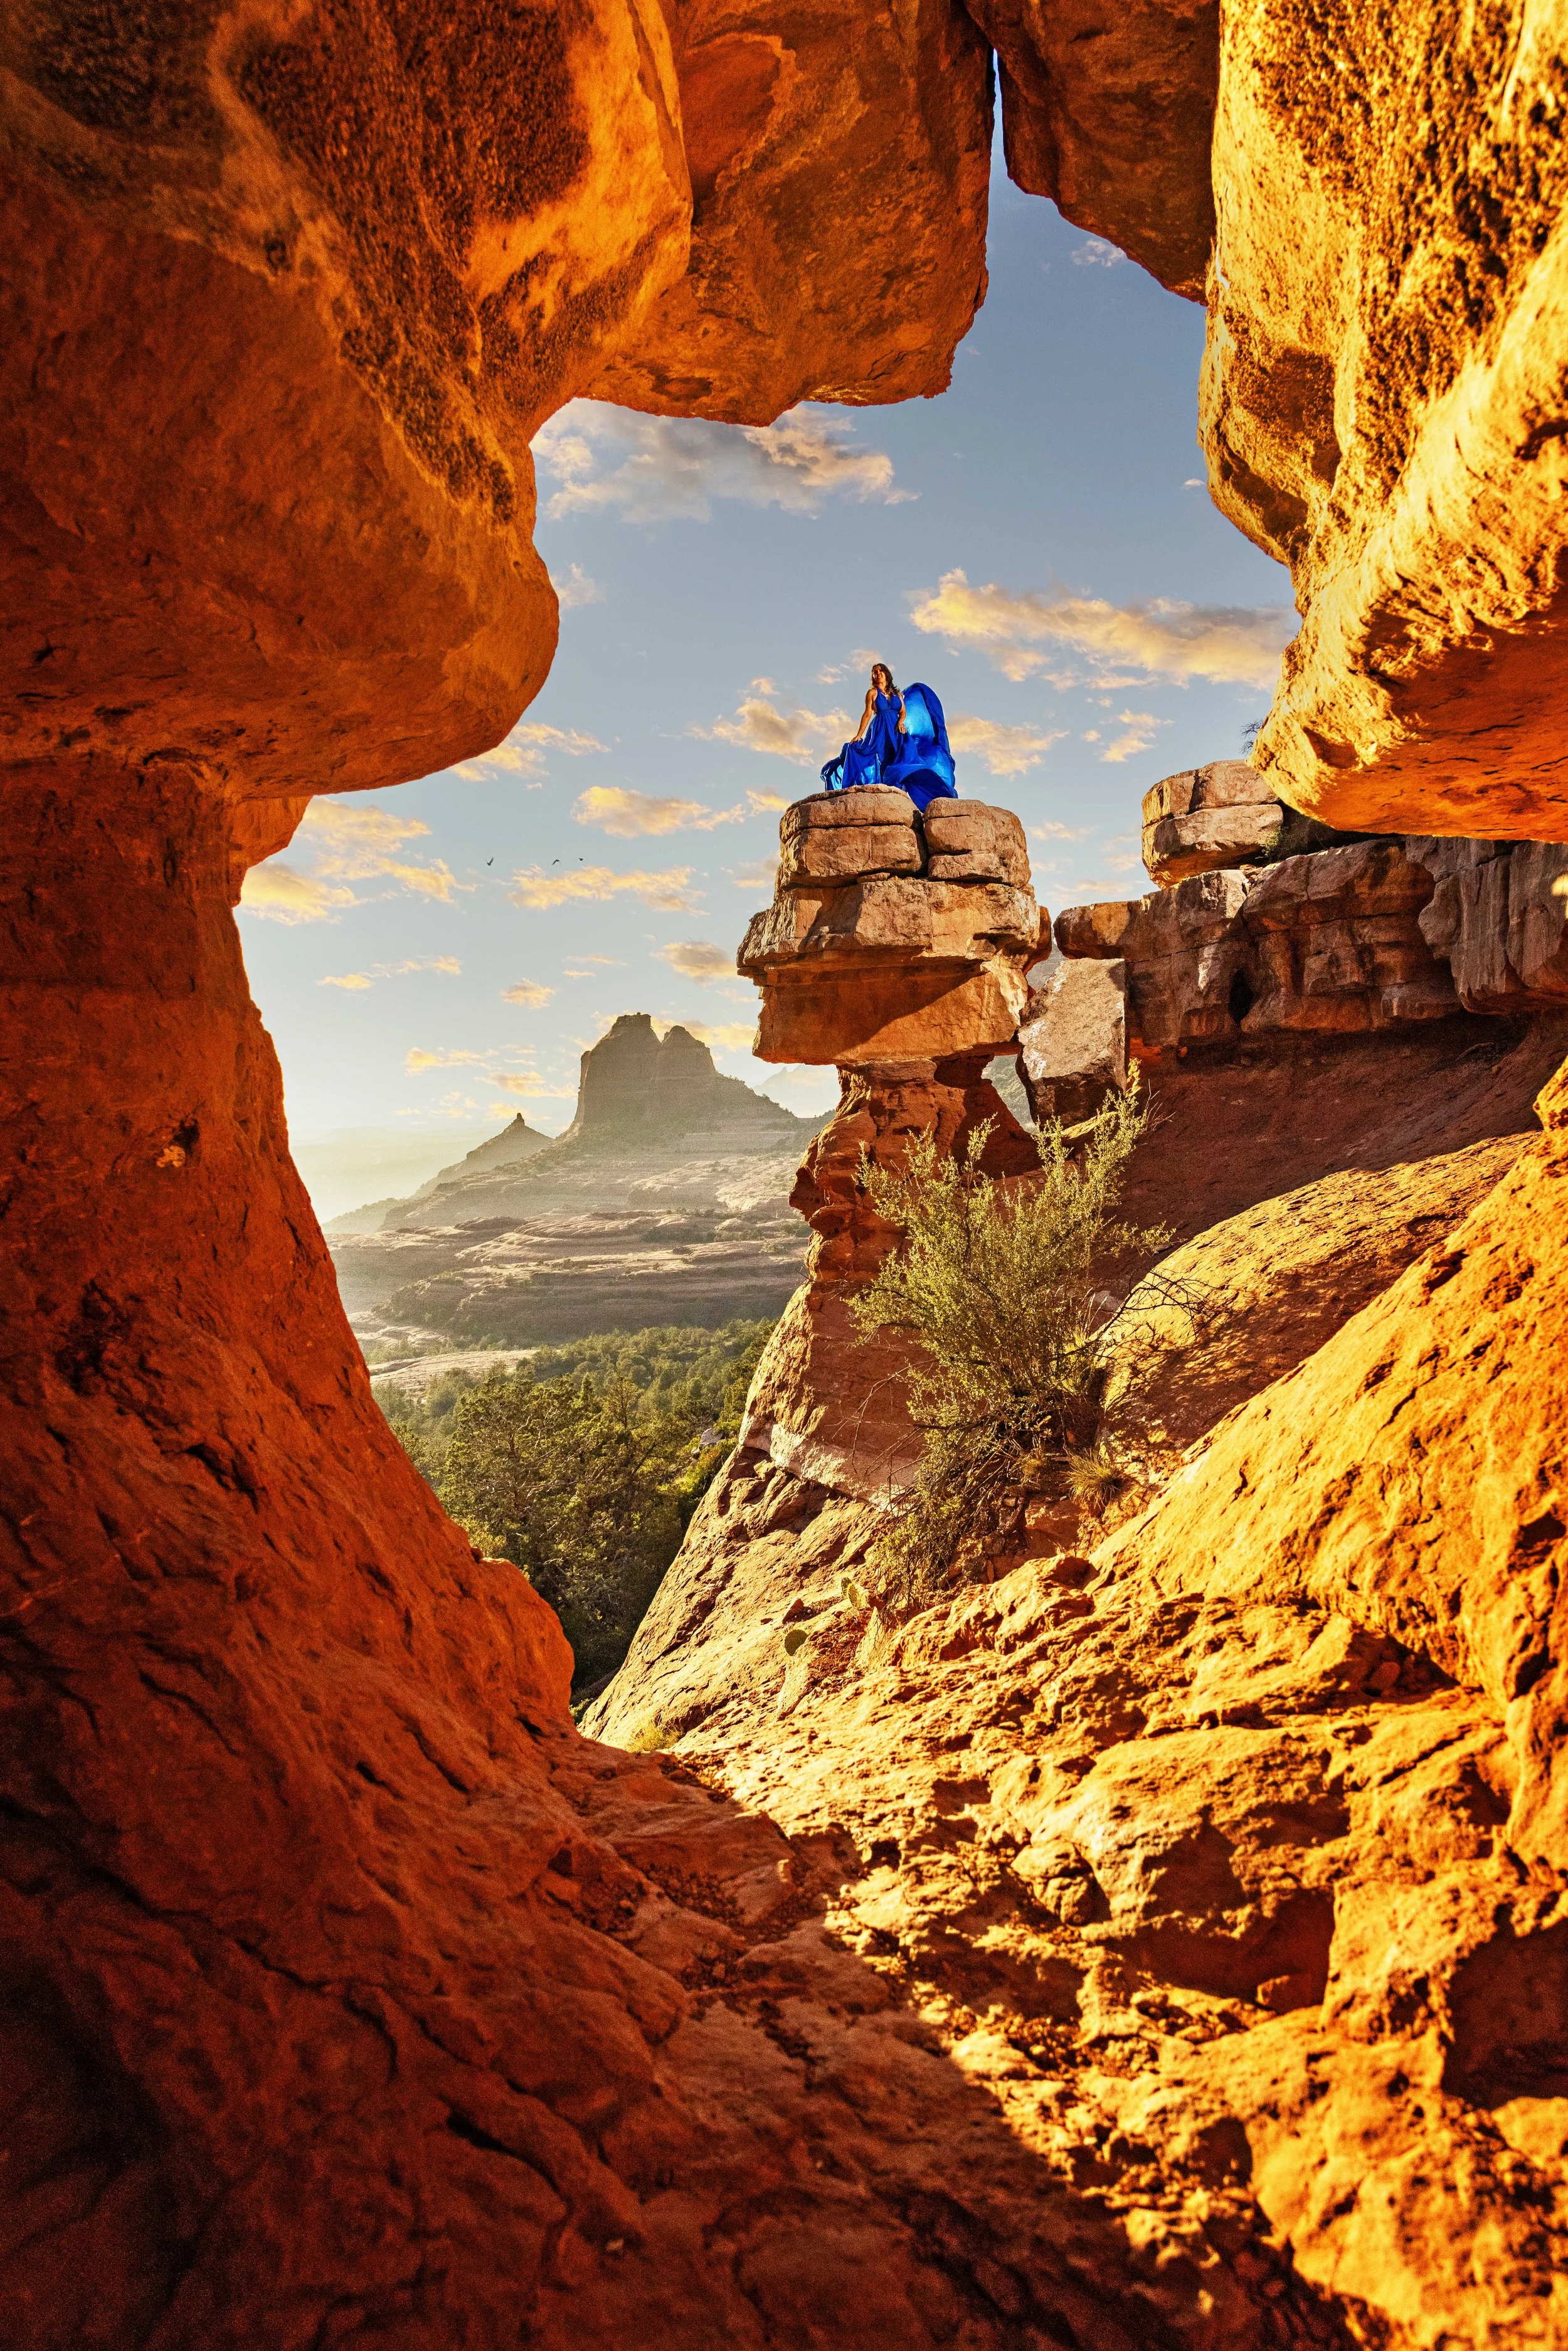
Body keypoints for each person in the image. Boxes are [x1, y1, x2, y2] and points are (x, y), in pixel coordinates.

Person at [820, 661, 958, 809]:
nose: (877, 673)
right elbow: (867, 714)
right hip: (880, 729)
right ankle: (864, 790)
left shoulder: (897, 695)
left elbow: (903, 712)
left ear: (886, 674)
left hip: (896, 730)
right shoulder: (872, 693)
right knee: (868, 754)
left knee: (904, 757)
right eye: (875, 672)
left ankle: (912, 790)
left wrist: (901, 722)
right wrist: (859, 735)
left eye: (880, 671)